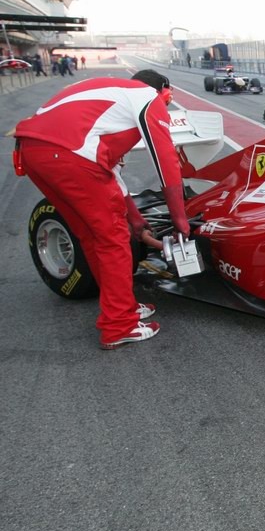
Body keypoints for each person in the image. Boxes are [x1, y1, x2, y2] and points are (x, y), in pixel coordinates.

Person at [14, 69, 190, 350]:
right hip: (70, 155)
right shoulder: (147, 96)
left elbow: (108, 170)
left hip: (34, 152)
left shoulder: (109, 92)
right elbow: (165, 159)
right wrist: (179, 218)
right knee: (113, 239)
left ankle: (123, 307)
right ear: (162, 90)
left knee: (91, 234)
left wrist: (133, 216)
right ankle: (119, 325)